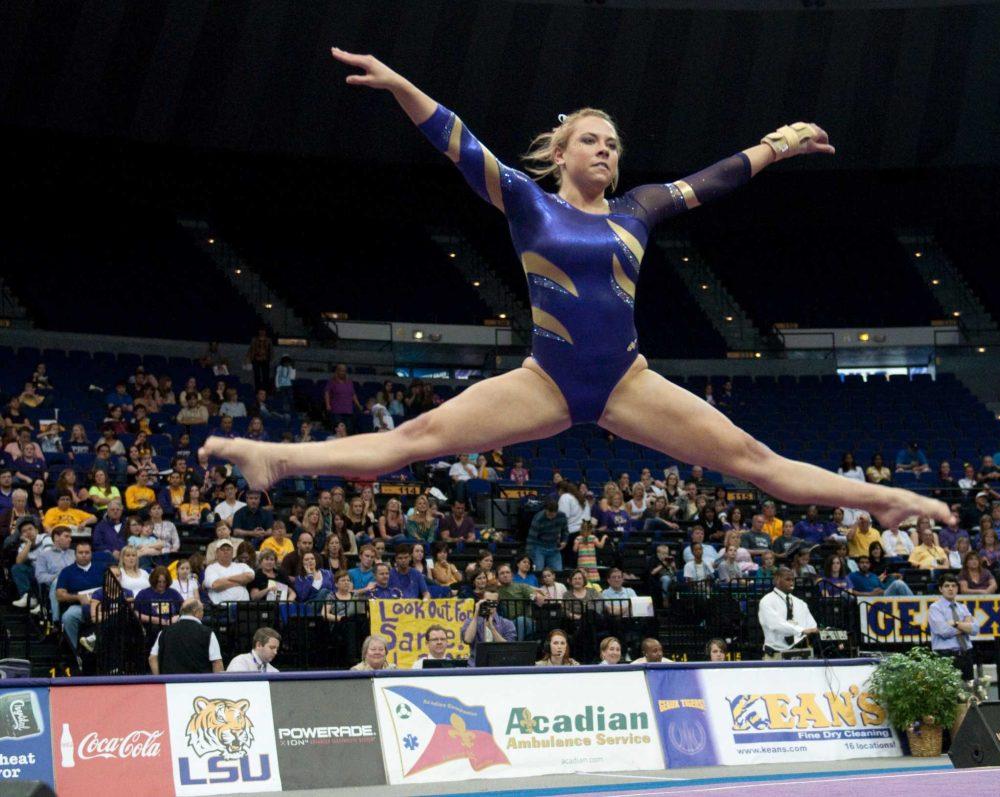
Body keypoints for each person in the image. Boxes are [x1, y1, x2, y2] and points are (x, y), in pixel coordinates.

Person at [198, 49, 951, 542]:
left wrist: (779, 143)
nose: (606, 150)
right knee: (412, 442)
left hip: (627, 380)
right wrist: (401, 87)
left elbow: (716, 180)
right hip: (546, 381)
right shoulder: (531, 205)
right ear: (561, 154)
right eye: (592, 140)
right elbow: (460, 145)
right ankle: (273, 458)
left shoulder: (640, 209)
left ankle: (880, 500)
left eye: (613, 144)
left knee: (755, 459)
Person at [148, 599, 224, 674]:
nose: (203, 614)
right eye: (202, 611)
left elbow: (152, 658)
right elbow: (217, 662)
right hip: (199, 683)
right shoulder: (208, 633)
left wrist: (160, 680)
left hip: (170, 683)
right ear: (196, 612)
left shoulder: (164, 632)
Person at [758, 567, 818, 659]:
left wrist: (812, 631)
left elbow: (812, 627)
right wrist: (801, 630)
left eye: (792, 580)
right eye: (787, 579)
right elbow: (775, 625)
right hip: (775, 655)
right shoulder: (767, 601)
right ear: (777, 580)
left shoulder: (801, 603)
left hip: (799, 654)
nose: (791, 583)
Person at [928, 573, 977, 681]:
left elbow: (975, 629)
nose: (951, 589)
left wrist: (955, 623)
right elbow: (944, 631)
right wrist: (964, 627)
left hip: (966, 654)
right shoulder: (935, 608)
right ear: (941, 589)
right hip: (946, 656)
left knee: (968, 692)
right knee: (948, 693)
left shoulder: (963, 607)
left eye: (953, 586)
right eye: (947, 586)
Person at [461, 587, 516, 665]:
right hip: (476, 665)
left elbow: (507, 648)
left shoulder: (507, 624)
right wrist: (476, 613)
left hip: (500, 666)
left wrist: (491, 627)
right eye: (488, 601)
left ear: (497, 603)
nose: (490, 605)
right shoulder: (470, 621)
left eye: (493, 602)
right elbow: (467, 640)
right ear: (481, 601)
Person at [204, 540, 255, 604]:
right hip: (222, 608)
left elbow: (250, 576)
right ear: (217, 553)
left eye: (228, 549)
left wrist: (226, 579)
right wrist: (240, 582)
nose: (226, 552)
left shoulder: (242, 565)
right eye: (222, 549)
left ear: (232, 552)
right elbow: (216, 585)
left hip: (243, 608)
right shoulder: (211, 568)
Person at [527, 499, 568, 571]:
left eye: (553, 514)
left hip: (554, 547)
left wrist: (564, 541)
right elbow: (531, 538)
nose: (551, 517)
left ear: (556, 511)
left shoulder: (562, 516)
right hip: (539, 546)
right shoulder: (538, 518)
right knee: (538, 570)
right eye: (549, 514)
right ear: (545, 510)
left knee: (558, 571)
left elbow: (565, 531)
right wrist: (529, 555)